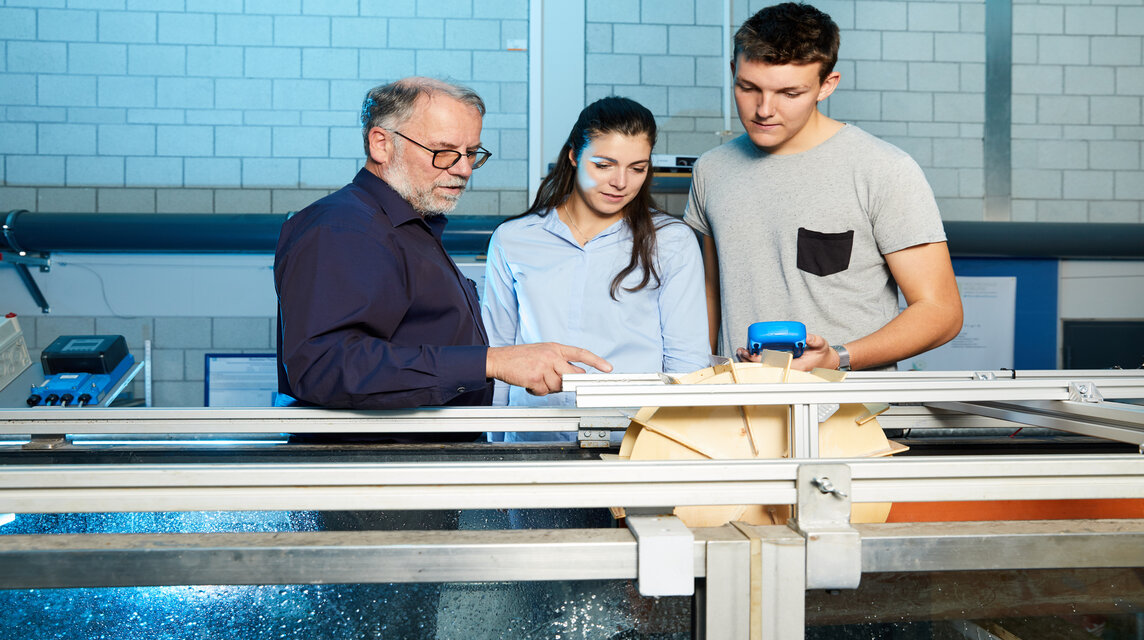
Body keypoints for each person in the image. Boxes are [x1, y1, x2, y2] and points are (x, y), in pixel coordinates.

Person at [274, 77, 612, 413]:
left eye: (470, 154)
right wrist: (490, 362)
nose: (464, 169)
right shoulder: (344, 229)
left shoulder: (410, 229)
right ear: (381, 144)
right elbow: (325, 366)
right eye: (444, 152)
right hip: (374, 462)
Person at [684, 2, 963, 372]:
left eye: (789, 93)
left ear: (826, 85)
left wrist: (838, 357)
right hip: (740, 410)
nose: (764, 109)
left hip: (850, 412)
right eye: (749, 87)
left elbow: (941, 312)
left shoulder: (884, 170)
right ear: (734, 71)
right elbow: (708, 296)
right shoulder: (712, 169)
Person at [481, 96, 710, 442]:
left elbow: (687, 363)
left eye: (637, 168)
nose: (621, 182)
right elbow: (498, 351)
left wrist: (675, 450)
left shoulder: (671, 241)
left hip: (634, 442)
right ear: (574, 155)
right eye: (604, 165)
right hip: (534, 438)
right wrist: (493, 446)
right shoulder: (513, 239)